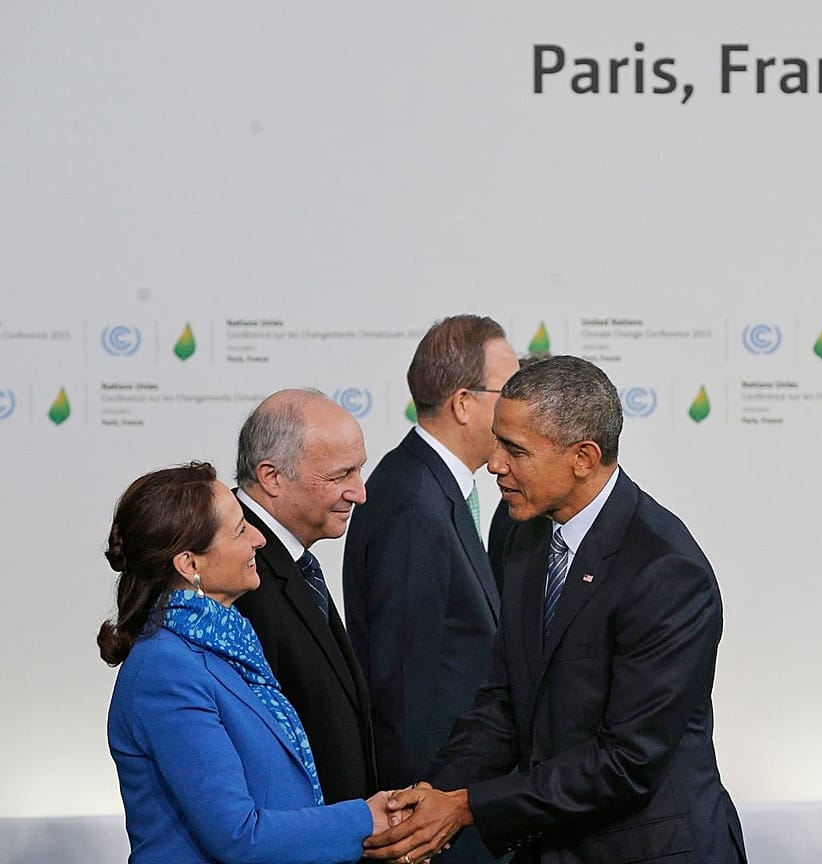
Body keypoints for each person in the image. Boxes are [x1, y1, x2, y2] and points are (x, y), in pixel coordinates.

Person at [363, 355, 748, 864]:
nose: (495, 463)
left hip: (647, 850)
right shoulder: (527, 535)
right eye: (497, 440)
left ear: (584, 458)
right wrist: (429, 797)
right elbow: (504, 702)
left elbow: (628, 762)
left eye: (515, 450)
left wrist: (466, 806)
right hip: (552, 844)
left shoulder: (665, 571)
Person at [101, 462, 390, 863]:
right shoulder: (166, 670)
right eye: (240, 529)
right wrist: (365, 820)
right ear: (190, 564)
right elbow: (238, 835)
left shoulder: (226, 648)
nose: (258, 538)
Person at [343, 315, 519, 862]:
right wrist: (421, 819)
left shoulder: (436, 488)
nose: (522, 405)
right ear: (464, 402)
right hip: (435, 821)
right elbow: (403, 687)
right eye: (509, 391)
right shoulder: (413, 503)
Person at [234, 389, 377, 804]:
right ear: (272, 476)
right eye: (339, 476)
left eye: (359, 471)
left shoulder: (291, 558)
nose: (359, 492)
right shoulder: (236, 570)